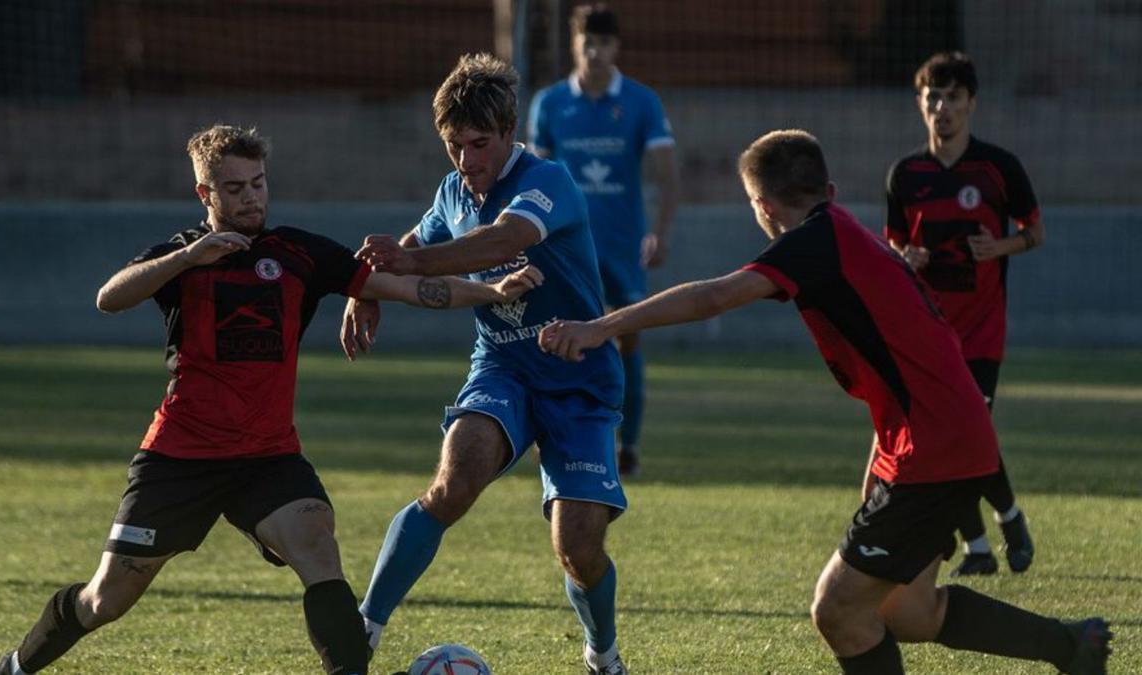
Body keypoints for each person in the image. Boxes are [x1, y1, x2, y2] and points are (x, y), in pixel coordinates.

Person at [539, 130, 1112, 674]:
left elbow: (712, 296)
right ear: (828, 192)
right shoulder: (845, 236)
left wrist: (600, 328)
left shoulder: (811, 243)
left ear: (762, 206)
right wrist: (880, 468)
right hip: (942, 439)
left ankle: (1069, 647)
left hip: (935, 451)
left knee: (837, 610)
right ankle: (1072, 646)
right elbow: (906, 369)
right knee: (906, 612)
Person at [0, 124, 542, 675]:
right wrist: (186, 260)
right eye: (234, 189)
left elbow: (408, 288)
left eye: (258, 183)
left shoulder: (297, 253)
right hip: (181, 457)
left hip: (267, 457)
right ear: (206, 195)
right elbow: (110, 298)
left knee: (318, 546)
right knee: (104, 601)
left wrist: (490, 291)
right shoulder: (182, 257)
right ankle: (15, 667)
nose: (251, 197)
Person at [346, 53, 630, 675]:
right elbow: (409, 246)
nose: (468, 160)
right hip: (502, 366)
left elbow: (505, 239)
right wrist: (361, 290)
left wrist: (411, 265)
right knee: (456, 474)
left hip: (580, 379)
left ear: (507, 133)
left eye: (479, 143)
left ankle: (602, 654)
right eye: (454, 145)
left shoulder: (546, 181)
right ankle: (359, 633)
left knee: (578, 544)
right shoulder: (451, 192)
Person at [884, 51, 1043, 576]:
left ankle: (1008, 519)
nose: (943, 108)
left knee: (970, 435)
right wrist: (906, 259)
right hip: (928, 333)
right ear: (920, 105)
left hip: (980, 332)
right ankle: (978, 548)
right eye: (934, 98)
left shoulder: (998, 168)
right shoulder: (905, 175)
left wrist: (999, 247)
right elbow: (894, 243)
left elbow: (1034, 233)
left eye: (953, 97)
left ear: (971, 103)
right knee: (943, 441)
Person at [527, 2, 679, 476]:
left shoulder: (640, 102)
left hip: (622, 244)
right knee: (553, 339)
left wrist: (659, 230)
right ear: (575, 45)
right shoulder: (550, 103)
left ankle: (626, 444)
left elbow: (667, 177)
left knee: (628, 339)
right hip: (565, 249)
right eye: (586, 43)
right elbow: (533, 178)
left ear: (617, 47)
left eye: (604, 43)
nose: (595, 52)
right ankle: (553, 433)